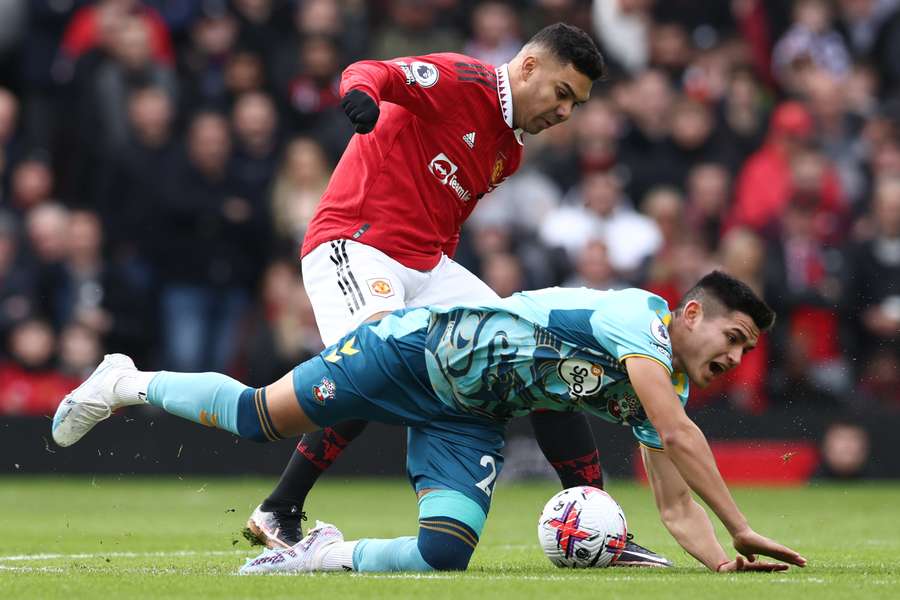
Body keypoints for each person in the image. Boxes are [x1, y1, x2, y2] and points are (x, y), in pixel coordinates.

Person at [242, 23, 669, 566]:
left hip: (426, 264)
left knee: (537, 354)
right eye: (563, 94)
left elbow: (443, 222)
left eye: (576, 105)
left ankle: (604, 522)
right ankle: (281, 507)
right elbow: (370, 73)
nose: (565, 113)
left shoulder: (508, 151)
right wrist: (360, 100)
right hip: (355, 243)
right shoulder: (463, 80)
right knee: (372, 364)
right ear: (530, 66)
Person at [52, 271, 808, 574]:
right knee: (260, 416)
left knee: (443, 555)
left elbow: (674, 502)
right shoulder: (637, 320)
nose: (736, 357)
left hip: (466, 416)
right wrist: (741, 525)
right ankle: (128, 379)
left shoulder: (656, 387)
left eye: (747, 350)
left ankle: (312, 556)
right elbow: (680, 436)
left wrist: (722, 565)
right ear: (691, 313)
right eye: (733, 337)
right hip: (409, 351)